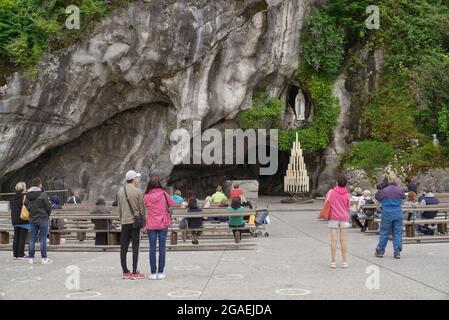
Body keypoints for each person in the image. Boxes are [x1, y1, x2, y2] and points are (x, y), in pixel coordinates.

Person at [116, 170, 146, 280]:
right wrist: (143, 223)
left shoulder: (120, 191)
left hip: (124, 222)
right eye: (136, 178)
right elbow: (142, 209)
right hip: (135, 223)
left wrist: (121, 220)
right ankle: (134, 271)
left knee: (123, 247)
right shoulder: (138, 192)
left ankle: (125, 271)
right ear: (133, 179)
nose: (137, 179)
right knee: (135, 247)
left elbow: (119, 209)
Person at [144, 176, 175, 280]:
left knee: (152, 248)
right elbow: (172, 203)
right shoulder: (164, 194)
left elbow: (144, 206)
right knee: (162, 248)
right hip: (163, 223)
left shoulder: (147, 196)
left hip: (151, 224)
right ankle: (161, 272)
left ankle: (153, 273)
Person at [375, 174, 405, 259]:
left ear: (388, 180)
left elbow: (377, 196)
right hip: (397, 212)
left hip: (387, 212)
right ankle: (397, 251)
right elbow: (403, 197)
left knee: (384, 232)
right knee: (397, 232)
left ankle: (380, 251)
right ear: (396, 180)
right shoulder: (400, 190)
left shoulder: (384, 190)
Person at [25, 178, 52, 265]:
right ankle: (44, 258)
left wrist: (31, 211)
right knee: (43, 238)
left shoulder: (27, 195)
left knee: (32, 238)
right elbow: (48, 207)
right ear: (39, 184)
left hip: (32, 219)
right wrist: (47, 214)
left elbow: (26, 204)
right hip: (43, 218)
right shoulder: (43, 194)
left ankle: (31, 258)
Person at [326, 176, 350, 269]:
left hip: (333, 217)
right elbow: (348, 207)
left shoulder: (331, 192)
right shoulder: (347, 194)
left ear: (337, 182)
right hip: (344, 218)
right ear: (346, 184)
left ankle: (333, 262)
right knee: (343, 240)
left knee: (333, 240)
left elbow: (327, 202)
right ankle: (344, 262)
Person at [10, 182, 30, 260]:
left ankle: (15, 254)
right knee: (22, 237)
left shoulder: (13, 197)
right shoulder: (25, 197)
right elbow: (29, 207)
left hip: (15, 219)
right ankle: (21, 254)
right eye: (25, 186)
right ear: (23, 188)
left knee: (16, 237)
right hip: (23, 218)